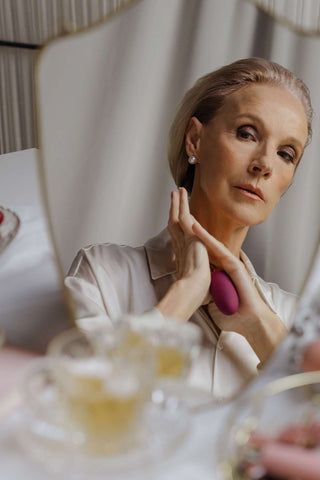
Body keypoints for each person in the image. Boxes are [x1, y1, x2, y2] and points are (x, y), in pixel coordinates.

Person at [65, 57, 312, 400]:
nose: (264, 164)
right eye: (246, 133)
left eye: (286, 153)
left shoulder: (295, 317)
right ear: (195, 139)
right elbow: (78, 406)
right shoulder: (103, 275)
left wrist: (261, 330)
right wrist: (184, 294)